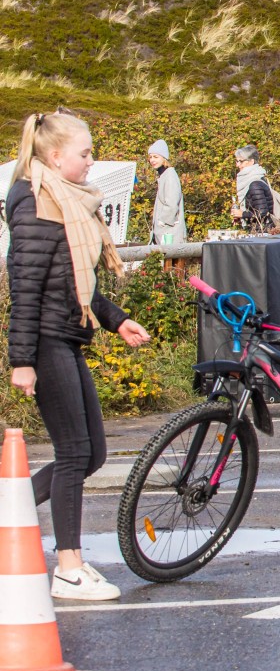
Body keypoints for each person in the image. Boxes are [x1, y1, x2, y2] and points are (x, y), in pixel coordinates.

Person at [6, 110, 152, 601]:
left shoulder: (67, 200)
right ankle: (69, 567)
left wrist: (116, 318)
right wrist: (20, 361)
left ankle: (9, 510)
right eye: (85, 153)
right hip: (45, 341)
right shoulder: (36, 203)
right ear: (54, 156)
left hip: (67, 334)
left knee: (94, 454)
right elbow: (24, 289)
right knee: (73, 453)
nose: (91, 162)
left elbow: (76, 285)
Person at [147, 139, 186, 244]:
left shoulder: (170, 175)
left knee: (170, 260)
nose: (152, 160)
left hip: (170, 232)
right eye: (150, 157)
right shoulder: (163, 175)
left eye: (156, 157)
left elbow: (172, 203)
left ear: (164, 158)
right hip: (164, 232)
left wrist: (162, 221)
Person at [231, 145, 274, 232]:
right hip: (258, 230)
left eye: (241, 161)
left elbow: (263, 213)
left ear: (251, 162)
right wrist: (241, 216)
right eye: (236, 161)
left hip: (263, 232)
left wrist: (242, 214)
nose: (237, 165)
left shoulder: (255, 184)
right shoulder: (251, 180)